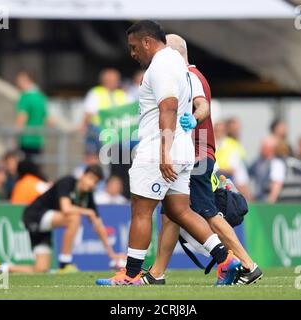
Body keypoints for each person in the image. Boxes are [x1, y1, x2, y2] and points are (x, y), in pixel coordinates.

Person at [96, 20, 241, 286]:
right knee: (179, 210)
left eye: (134, 46)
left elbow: (169, 108)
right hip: (184, 148)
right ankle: (226, 259)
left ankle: (130, 275)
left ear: (148, 42)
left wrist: (164, 150)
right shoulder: (179, 65)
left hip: (159, 148)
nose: (132, 53)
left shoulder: (161, 65)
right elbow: (196, 105)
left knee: (141, 209)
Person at [140, 34, 261, 286]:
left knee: (208, 213)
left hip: (195, 156)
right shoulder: (194, 76)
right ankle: (156, 273)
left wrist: (191, 121)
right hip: (196, 154)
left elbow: (200, 108)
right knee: (172, 213)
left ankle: (248, 265)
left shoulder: (188, 77)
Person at [0, 165, 122, 274]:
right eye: (91, 178)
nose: (92, 183)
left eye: (96, 182)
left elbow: (98, 226)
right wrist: (89, 212)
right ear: (82, 176)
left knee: (40, 270)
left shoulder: (88, 197)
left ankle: (1, 269)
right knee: (73, 217)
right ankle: (64, 263)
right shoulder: (67, 182)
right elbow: (66, 208)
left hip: (45, 225)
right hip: (34, 216)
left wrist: (111, 253)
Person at [79, 68, 129, 155]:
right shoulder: (95, 93)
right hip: (98, 132)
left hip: (119, 132)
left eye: (115, 80)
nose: (113, 83)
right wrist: (83, 127)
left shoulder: (122, 94)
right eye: (110, 80)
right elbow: (88, 113)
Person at [215, 117, 252, 201]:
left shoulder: (233, 145)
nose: (218, 133)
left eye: (221, 131)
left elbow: (234, 169)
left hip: (228, 182)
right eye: (216, 131)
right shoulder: (210, 144)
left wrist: (217, 168)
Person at [15, 71, 49, 160]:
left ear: (27, 81)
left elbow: (22, 118)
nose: (18, 84)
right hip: (38, 140)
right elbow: (46, 118)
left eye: (19, 81)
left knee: (25, 169)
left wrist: (15, 137)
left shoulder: (25, 97)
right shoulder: (41, 97)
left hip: (26, 140)